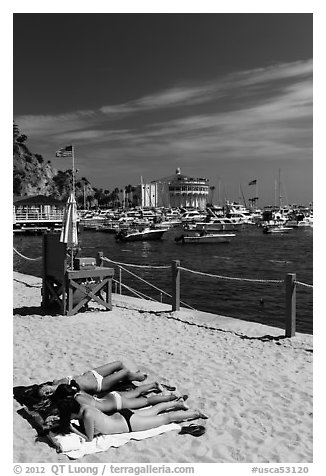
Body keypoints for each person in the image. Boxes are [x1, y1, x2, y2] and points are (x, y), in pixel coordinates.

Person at [55, 385, 208, 442]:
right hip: (122, 415)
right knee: (154, 410)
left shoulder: (87, 415)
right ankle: (177, 403)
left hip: (129, 424)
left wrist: (72, 429)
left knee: (165, 418)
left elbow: (88, 439)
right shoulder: (86, 409)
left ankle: (195, 414)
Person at [53, 380, 186, 415]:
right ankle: (154, 385)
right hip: (111, 396)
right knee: (136, 391)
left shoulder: (77, 401)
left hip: (115, 403)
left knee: (147, 401)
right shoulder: (80, 392)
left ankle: (173, 397)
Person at [38, 361, 148, 398]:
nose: (47, 391)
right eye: (46, 394)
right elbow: (81, 394)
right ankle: (135, 377)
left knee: (119, 364)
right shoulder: (63, 392)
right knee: (125, 371)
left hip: (93, 373)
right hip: (100, 384)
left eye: (44, 390)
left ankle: (127, 378)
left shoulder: (56, 382)